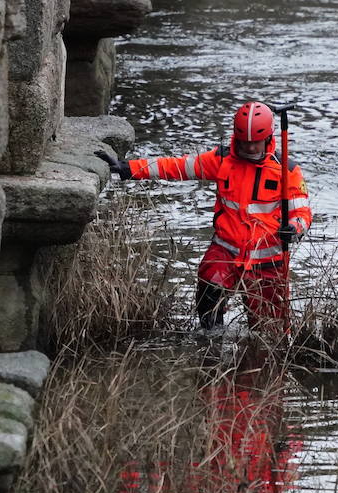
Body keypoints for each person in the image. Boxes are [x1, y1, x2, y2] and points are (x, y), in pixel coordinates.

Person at [97, 101, 312, 334]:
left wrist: (294, 228)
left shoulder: (286, 171)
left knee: (270, 331)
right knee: (209, 293)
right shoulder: (222, 160)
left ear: (269, 138)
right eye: (245, 142)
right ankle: (211, 347)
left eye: (255, 143)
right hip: (226, 250)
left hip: (268, 262)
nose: (250, 148)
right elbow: (178, 167)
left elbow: (302, 213)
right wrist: (129, 169)